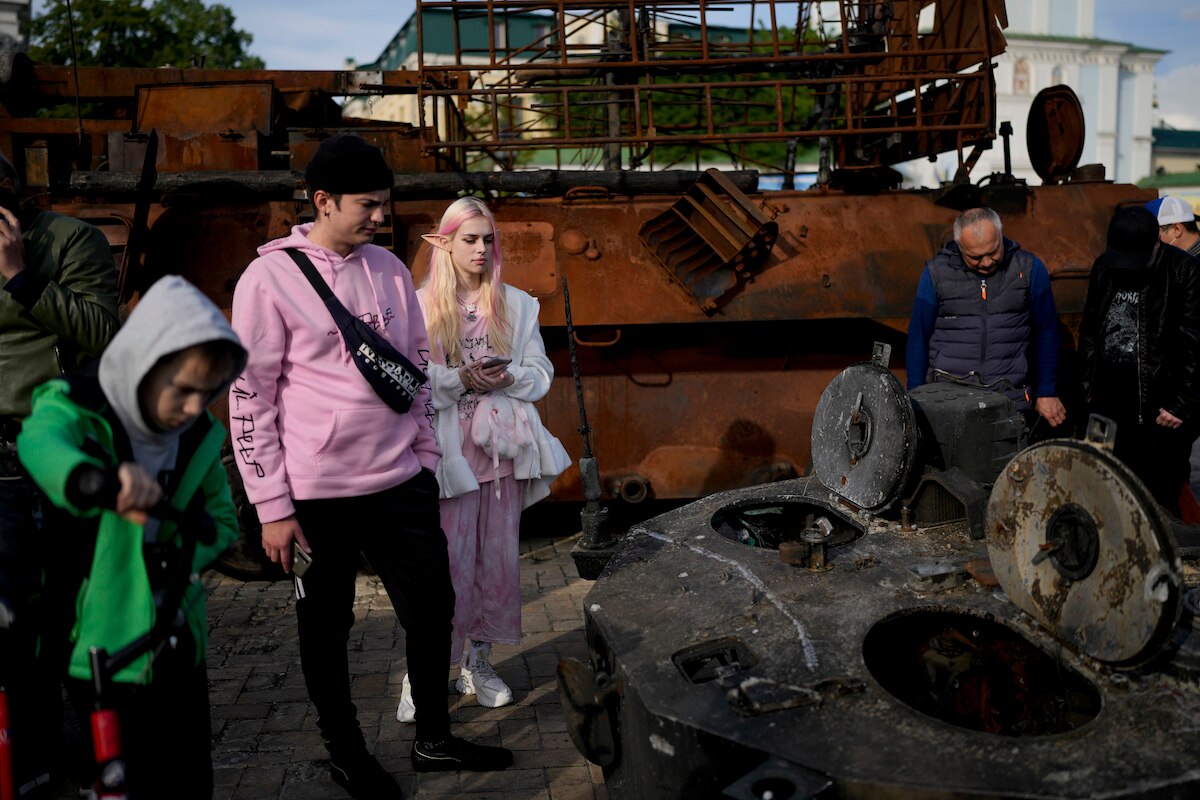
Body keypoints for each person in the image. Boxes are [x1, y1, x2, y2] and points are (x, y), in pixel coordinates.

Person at [229, 135, 512, 800]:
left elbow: (412, 366)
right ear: (323, 201)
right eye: (368, 205)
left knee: (433, 609)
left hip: (399, 483)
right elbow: (249, 397)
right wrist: (272, 507)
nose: (381, 217)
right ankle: (347, 753)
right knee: (326, 630)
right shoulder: (268, 279)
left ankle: (434, 740)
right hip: (315, 496)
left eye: (385, 204)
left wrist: (422, 453)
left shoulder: (386, 267)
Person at [17, 276, 244, 799]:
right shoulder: (78, 405)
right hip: (100, 637)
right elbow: (40, 441)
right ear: (144, 363)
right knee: (130, 783)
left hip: (177, 637)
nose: (193, 408)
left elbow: (220, 523)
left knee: (189, 780)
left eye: (206, 394)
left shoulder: (195, 437)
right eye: (182, 390)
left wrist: (171, 549)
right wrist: (98, 481)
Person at [395, 197, 569, 723]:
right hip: (446, 454)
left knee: (495, 563)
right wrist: (460, 381)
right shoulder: (420, 304)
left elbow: (540, 372)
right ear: (445, 243)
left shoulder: (516, 304)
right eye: (469, 239)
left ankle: (480, 662)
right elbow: (410, 381)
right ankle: (424, 674)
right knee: (443, 567)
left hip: (501, 453)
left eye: (487, 239)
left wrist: (510, 376)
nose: (480, 249)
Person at [0, 150, 119, 798]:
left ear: (13, 186)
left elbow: (102, 332)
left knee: (56, 615)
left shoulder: (70, 240)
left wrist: (22, 277)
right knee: (12, 619)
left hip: (45, 451)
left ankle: (75, 748)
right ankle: (30, 753)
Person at [1078, 205, 1200, 516]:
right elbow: (1090, 329)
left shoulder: (1185, 271)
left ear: (1158, 242)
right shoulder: (1104, 266)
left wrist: (1181, 402)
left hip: (1159, 405)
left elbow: (1194, 341)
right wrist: (1087, 385)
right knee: (1101, 478)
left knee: (1159, 492)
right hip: (1107, 399)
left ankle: (1166, 556)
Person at [906, 206, 1067, 435]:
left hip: (1010, 400)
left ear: (1001, 236)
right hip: (947, 403)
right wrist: (915, 398)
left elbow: (1047, 331)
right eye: (975, 257)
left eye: (993, 251)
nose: (987, 262)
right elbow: (918, 337)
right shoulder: (935, 274)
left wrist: (1048, 391)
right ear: (959, 246)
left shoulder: (1030, 269)